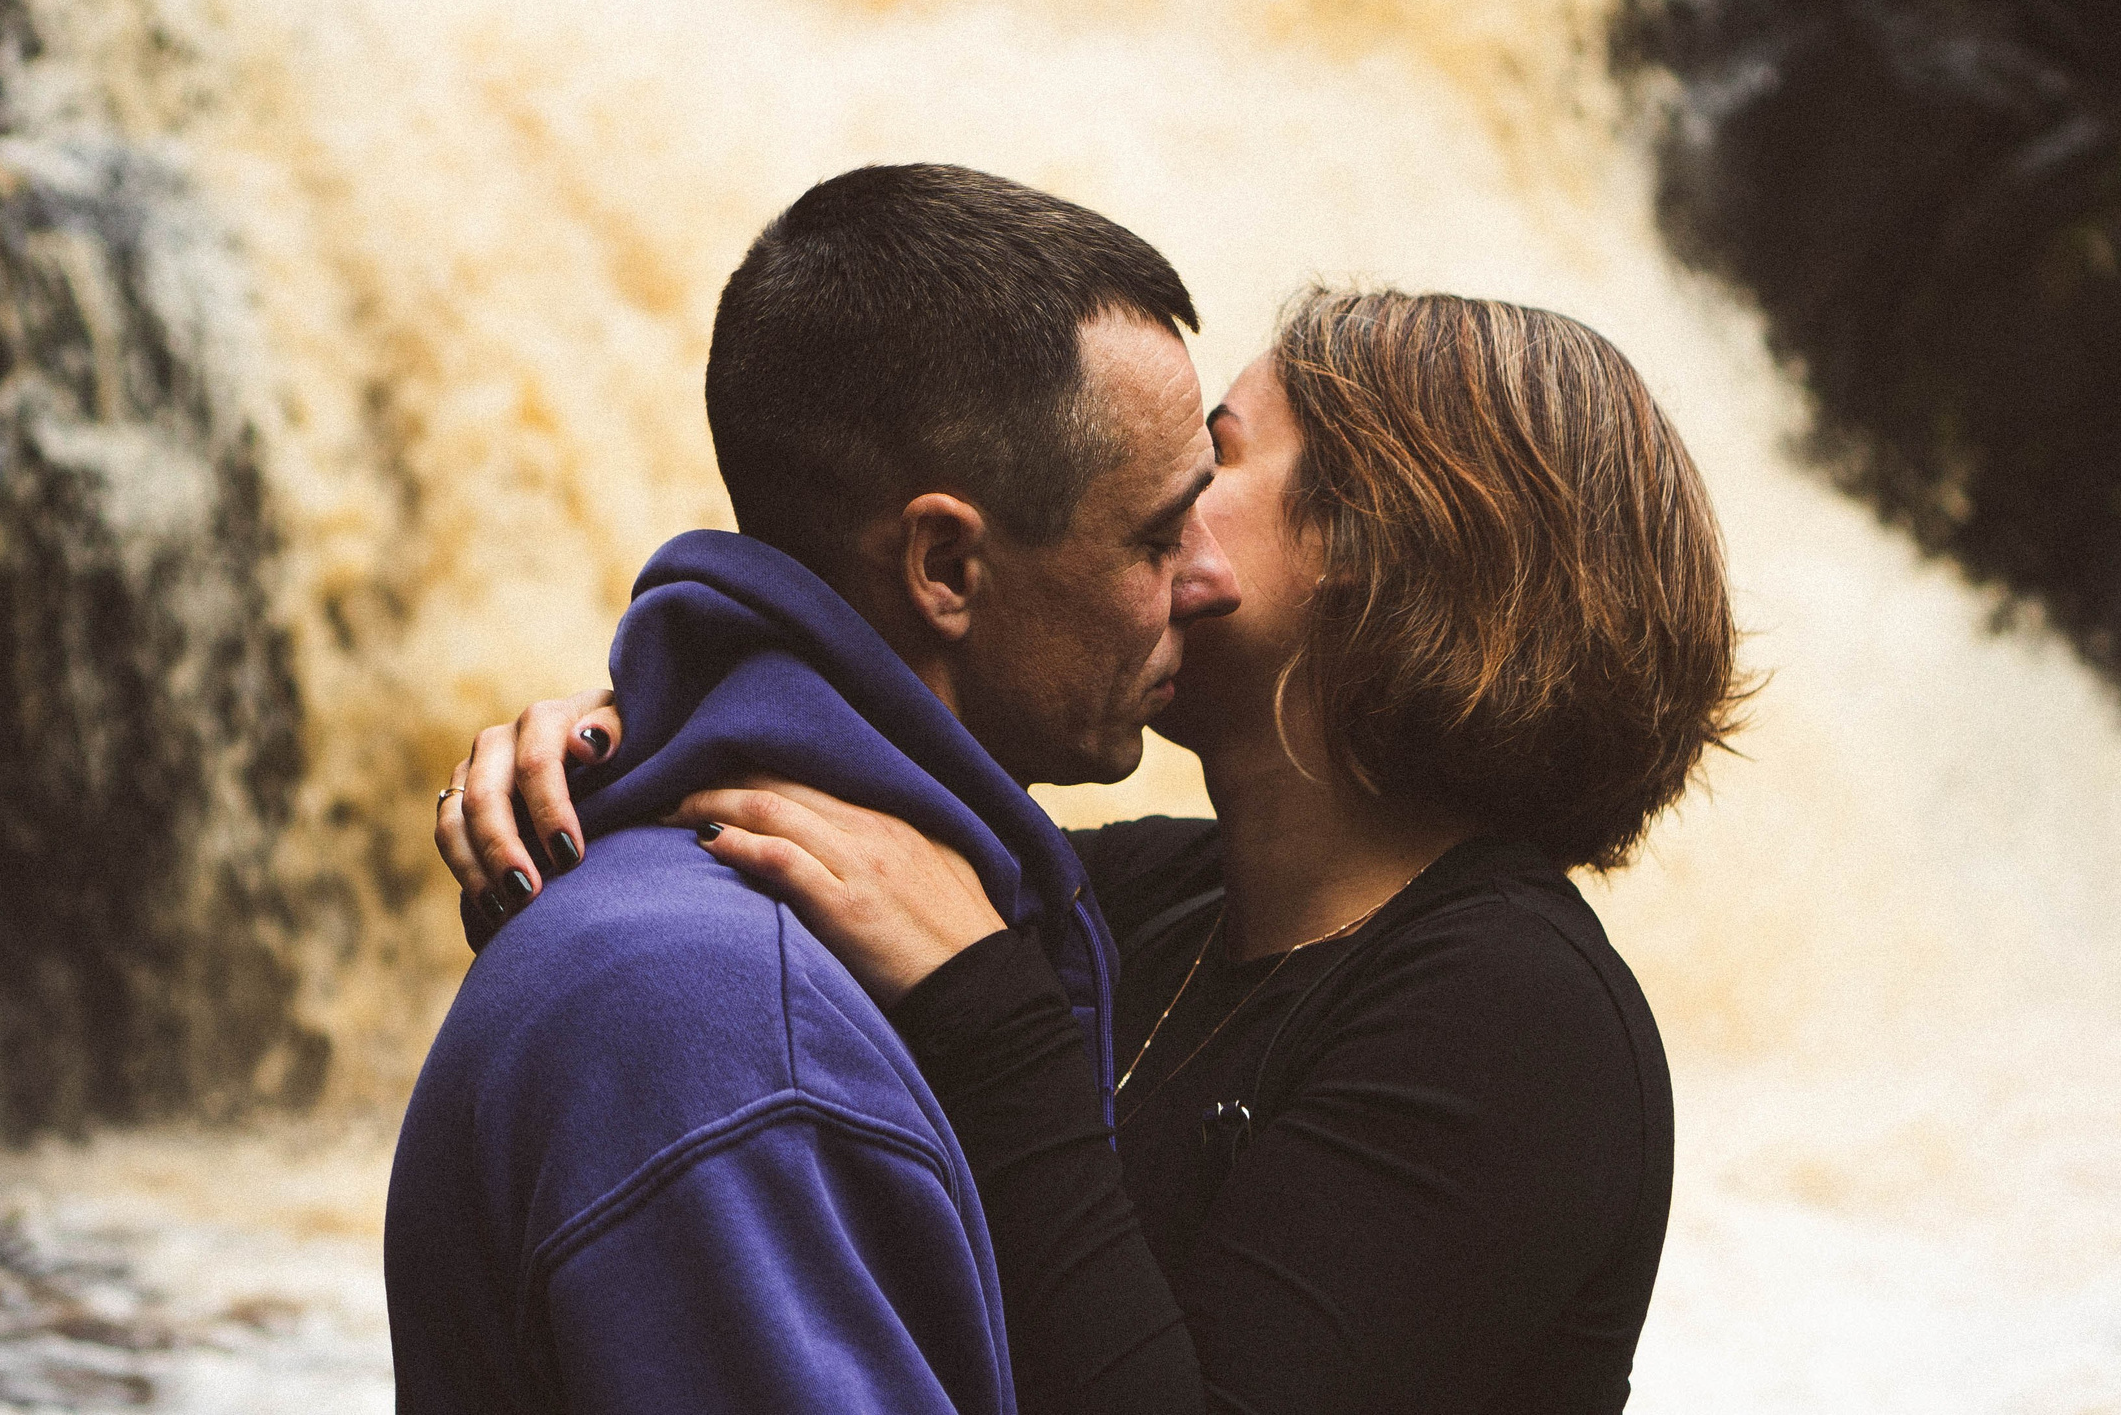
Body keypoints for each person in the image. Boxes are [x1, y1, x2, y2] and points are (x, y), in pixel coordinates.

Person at [447, 287, 1750, 1413]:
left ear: (1377, 548)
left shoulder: (1516, 1011)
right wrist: (616, 744)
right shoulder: (1155, 897)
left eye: (1215, 460)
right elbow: (831, 826)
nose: (1162, 494)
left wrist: (989, 1013)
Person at [386, 163, 1241, 1415]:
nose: (1202, 580)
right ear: (945, 563)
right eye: (1156, 537)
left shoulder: (817, 933)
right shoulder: (735, 1036)